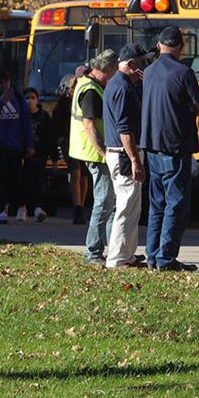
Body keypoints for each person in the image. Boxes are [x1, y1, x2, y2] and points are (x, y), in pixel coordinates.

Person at [141, 26, 199, 272]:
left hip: (152, 146)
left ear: (159, 45)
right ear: (181, 47)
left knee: (156, 203)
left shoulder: (148, 72)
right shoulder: (184, 72)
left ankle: (152, 255)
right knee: (176, 204)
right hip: (175, 147)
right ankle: (166, 258)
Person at [71, 50, 118, 264]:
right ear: (107, 69)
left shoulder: (88, 83)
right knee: (103, 203)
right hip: (96, 154)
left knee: (109, 203)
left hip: (93, 152)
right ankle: (93, 252)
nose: (115, 74)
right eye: (114, 70)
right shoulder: (90, 90)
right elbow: (89, 126)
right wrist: (104, 153)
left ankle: (114, 249)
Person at [103, 44, 148, 269]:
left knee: (132, 207)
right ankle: (117, 257)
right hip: (123, 154)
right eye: (141, 63)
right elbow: (125, 130)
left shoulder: (121, 84)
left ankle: (127, 254)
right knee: (126, 206)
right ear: (130, 65)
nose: (144, 67)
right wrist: (134, 160)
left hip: (120, 153)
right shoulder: (121, 88)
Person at [0, 68, 33, 225]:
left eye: (7, 81)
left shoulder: (18, 96)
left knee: (16, 179)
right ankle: (1, 210)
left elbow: (26, 122)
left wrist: (29, 145)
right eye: (1, 82)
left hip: (15, 145)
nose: (4, 85)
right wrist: (1, 102)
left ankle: (20, 208)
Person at [54, 73, 91, 225]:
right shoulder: (65, 101)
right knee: (75, 172)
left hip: (85, 139)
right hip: (69, 140)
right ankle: (77, 207)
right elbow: (57, 119)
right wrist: (60, 137)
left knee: (84, 174)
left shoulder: (86, 97)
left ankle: (81, 206)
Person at [22, 87, 51, 222]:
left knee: (38, 182)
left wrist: (50, 155)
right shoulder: (21, 115)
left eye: (32, 97)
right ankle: (24, 208)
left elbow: (48, 136)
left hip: (40, 154)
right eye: (27, 98)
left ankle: (38, 208)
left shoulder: (43, 116)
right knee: (24, 182)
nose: (30, 101)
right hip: (24, 155)